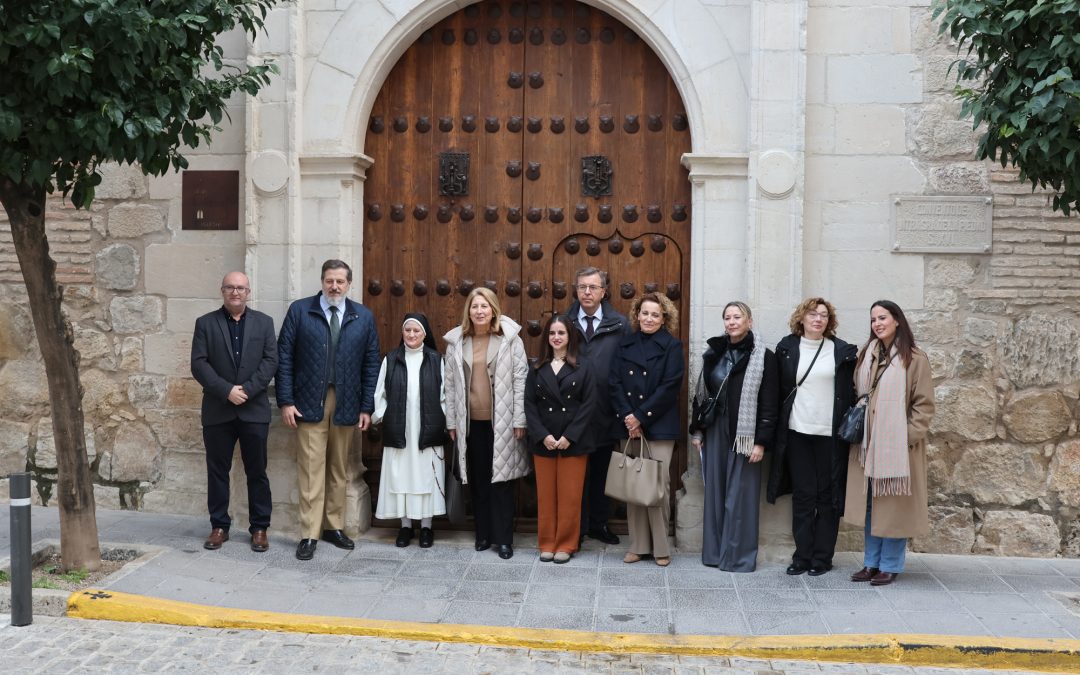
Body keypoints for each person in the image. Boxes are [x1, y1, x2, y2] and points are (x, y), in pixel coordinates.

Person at [276, 259, 381, 561]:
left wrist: (367, 407)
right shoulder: (300, 311)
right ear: (322, 281)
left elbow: (371, 362)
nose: (334, 286)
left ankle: (333, 527)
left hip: (347, 400)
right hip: (309, 400)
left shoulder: (362, 316)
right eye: (329, 281)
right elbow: (285, 357)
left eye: (340, 281)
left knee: (339, 468)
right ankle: (309, 532)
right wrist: (286, 400)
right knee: (311, 468)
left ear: (349, 284)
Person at [844, 300, 935, 587]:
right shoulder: (866, 355)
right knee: (872, 503)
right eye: (873, 320)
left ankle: (890, 564)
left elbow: (924, 405)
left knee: (893, 505)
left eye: (882, 318)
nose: (877, 324)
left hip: (898, 447)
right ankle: (871, 563)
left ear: (897, 320)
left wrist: (905, 437)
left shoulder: (915, 358)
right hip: (868, 443)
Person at [767, 298, 857, 577]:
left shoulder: (841, 351)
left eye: (823, 315)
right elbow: (778, 391)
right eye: (812, 314)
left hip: (829, 435)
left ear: (829, 322)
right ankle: (802, 556)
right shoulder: (787, 348)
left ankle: (822, 558)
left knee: (828, 498)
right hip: (797, 432)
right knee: (803, 496)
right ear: (802, 318)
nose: (818, 319)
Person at [190, 271, 278, 552]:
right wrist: (226, 390)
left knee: (257, 471)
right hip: (218, 409)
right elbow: (199, 364)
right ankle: (219, 526)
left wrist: (248, 390)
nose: (235, 292)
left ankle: (260, 528)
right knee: (217, 471)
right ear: (222, 290)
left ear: (248, 291)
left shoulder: (264, 323)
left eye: (240, 288)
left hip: (254, 410)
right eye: (230, 287)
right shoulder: (205, 323)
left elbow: (270, 361)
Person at [689, 301, 778, 572]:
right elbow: (702, 395)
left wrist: (761, 441)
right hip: (716, 430)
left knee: (740, 496)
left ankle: (737, 558)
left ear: (749, 321)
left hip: (745, 434)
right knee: (715, 493)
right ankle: (715, 554)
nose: (731, 322)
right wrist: (698, 430)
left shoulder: (764, 357)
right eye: (727, 317)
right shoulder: (714, 352)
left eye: (737, 317)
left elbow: (770, 403)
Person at [443, 287, 529, 560]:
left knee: (501, 481)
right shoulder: (457, 341)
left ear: (493, 309)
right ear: (468, 310)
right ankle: (482, 535)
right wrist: (452, 422)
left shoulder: (510, 340)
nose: (479, 311)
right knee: (479, 480)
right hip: (471, 423)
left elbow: (520, 379)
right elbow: (450, 384)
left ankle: (503, 540)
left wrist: (519, 419)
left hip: (502, 423)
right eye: (474, 306)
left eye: (484, 306)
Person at [609, 292, 684, 567]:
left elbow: (670, 386)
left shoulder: (673, 347)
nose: (649, 318)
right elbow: (614, 382)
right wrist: (628, 417)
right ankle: (638, 545)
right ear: (636, 315)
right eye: (645, 313)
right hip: (628, 426)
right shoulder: (625, 344)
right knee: (633, 485)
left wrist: (641, 416)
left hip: (658, 426)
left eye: (655, 314)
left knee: (656, 486)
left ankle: (661, 547)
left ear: (664, 318)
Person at [524, 314, 596, 563]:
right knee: (545, 495)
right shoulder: (536, 367)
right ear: (547, 337)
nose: (556, 337)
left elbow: (589, 405)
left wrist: (569, 436)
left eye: (561, 333)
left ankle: (566, 544)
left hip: (573, 442)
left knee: (570, 496)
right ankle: (546, 542)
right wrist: (542, 435)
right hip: (543, 441)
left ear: (570, 337)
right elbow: (529, 405)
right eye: (552, 333)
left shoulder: (583, 366)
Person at [372, 313, 447, 549]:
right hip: (400, 429)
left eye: (416, 331)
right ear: (402, 333)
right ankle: (405, 527)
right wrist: (385, 416)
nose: (412, 335)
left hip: (427, 429)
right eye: (408, 331)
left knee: (425, 478)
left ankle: (426, 528)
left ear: (425, 333)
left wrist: (442, 420)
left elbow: (445, 395)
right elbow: (379, 393)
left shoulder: (436, 360)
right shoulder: (391, 359)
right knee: (401, 478)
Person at [566, 266, 628, 546]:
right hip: (573, 410)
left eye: (592, 287)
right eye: (581, 287)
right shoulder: (565, 321)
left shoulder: (620, 324)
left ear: (604, 291)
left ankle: (599, 524)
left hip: (606, 408)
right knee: (575, 472)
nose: (586, 292)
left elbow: (627, 366)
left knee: (603, 470)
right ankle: (575, 529)